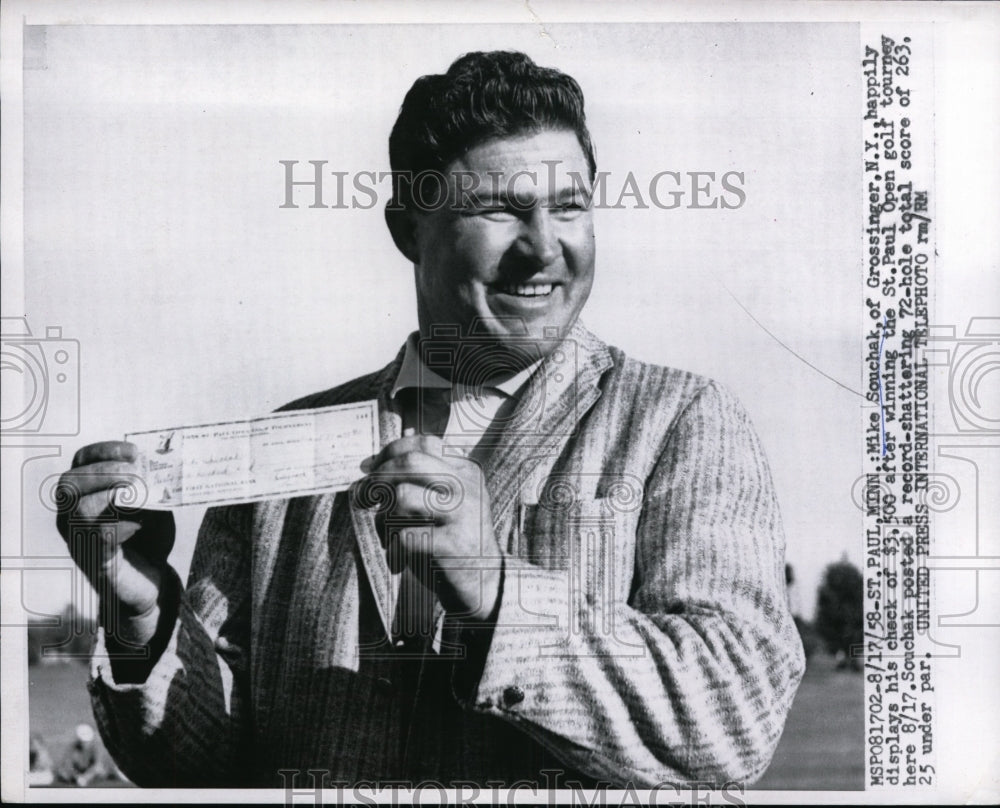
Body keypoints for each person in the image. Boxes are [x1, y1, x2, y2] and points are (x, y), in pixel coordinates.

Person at [56, 51, 804, 789]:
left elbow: (735, 721)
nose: (544, 246)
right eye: (498, 207)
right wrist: (142, 611)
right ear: (407, 229)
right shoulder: (282, 452)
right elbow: (203, 765)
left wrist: (497, 589)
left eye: (570, 205)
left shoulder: (680, 421)